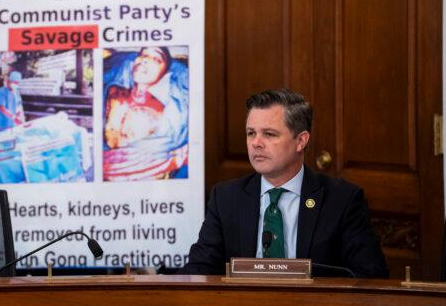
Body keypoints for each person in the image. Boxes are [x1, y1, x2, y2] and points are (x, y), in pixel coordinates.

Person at [181, 88, 388, 277]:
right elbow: (199, 270)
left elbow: (370, 276)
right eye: (251, 133)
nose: (255, 143)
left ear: (301, 141)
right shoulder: (225, 198)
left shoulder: (342, 200)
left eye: (269, 134)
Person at [103, 47, 189, 180]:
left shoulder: (159, 111)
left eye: (156, 59)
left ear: (164, 73)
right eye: (142, 55)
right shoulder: (116, 93)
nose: (144, 60)